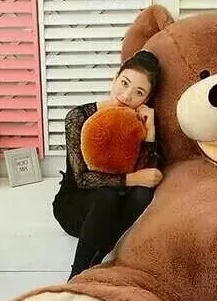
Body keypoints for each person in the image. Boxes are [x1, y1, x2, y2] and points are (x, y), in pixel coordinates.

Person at [52, 50, 163, 281]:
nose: (127, 95)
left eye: (139, 92)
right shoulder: (78, 117)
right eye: (124, 83)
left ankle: (96, 261)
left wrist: (150, 132)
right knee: (107, 194)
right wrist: (131, 179)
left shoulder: (140, 124)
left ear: (146, 99)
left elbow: (150, 176)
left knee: (143, 195)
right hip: (76, 207)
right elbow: (82, 179)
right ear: (115, 78)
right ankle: (76, 277)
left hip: (116, 211)